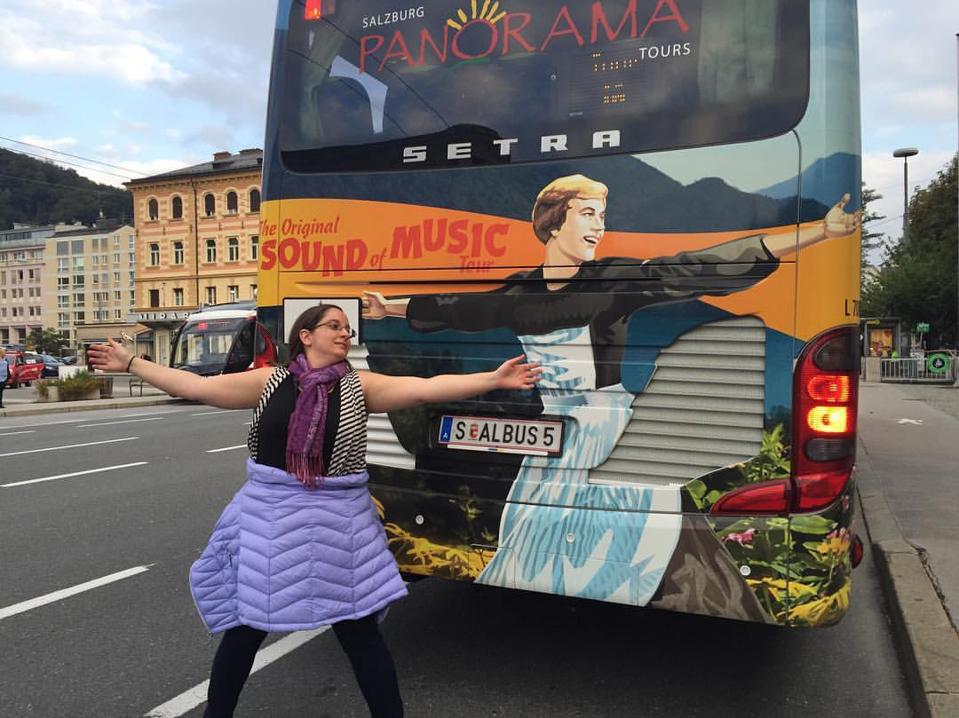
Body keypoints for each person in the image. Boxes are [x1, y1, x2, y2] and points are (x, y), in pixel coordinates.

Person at [362, 173, 861, 613]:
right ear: (555, 223)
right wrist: (389, 309)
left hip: (610, 437)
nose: (598, 226)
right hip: (555, 436)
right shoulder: (520, 291)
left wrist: (818, 231)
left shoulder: (615, 281)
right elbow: (459, 308)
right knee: (536, 544)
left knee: (622, 549)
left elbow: (699, 266)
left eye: (602, 215)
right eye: (587, 214)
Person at [87, 304, 541, 718]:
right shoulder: (270, 380)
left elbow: (424, 389)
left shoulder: (358, 385)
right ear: (305, 335)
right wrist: (132, 362)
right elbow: (199, 387)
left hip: (337, 524)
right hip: (270, 518)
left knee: (358, 630)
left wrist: (492, 379)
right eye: (334, 326)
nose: (345, 333)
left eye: (348, 328)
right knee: (248, 627)